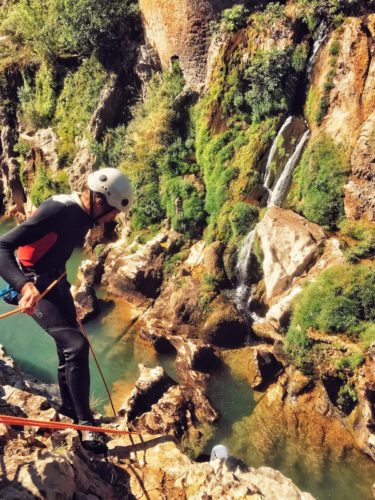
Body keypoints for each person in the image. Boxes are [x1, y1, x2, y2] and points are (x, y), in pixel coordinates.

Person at [0, 168, 133, 453]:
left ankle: (72, 409)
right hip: (35, 285)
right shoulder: (58, 210)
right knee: (75, 345)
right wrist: (24, 287)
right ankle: (86, 428)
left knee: (68, 347)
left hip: (55, 281)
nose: (113, 219)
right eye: (112, 212)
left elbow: (54, 249)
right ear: (100, 201)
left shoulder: (85, 216)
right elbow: (3, 245)